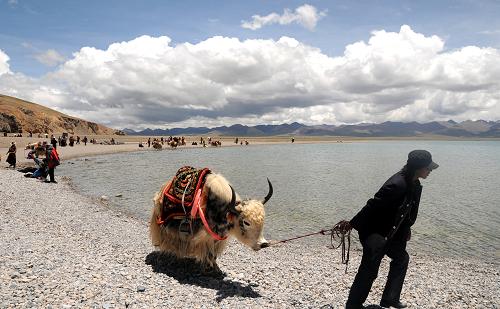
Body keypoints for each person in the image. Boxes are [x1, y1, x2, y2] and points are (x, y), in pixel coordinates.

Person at [343, 150, 439, 309]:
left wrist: (407, 228)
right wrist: (352, 224)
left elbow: (408, 210)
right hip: (375, 233)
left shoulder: (414, 183)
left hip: (393, 233)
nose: (430, 171)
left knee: (401, 259)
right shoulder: (396, 184)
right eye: (428, 168)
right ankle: (353, 305)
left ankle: (390, 299)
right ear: (418, 168)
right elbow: (372, 205)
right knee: (369, 270)